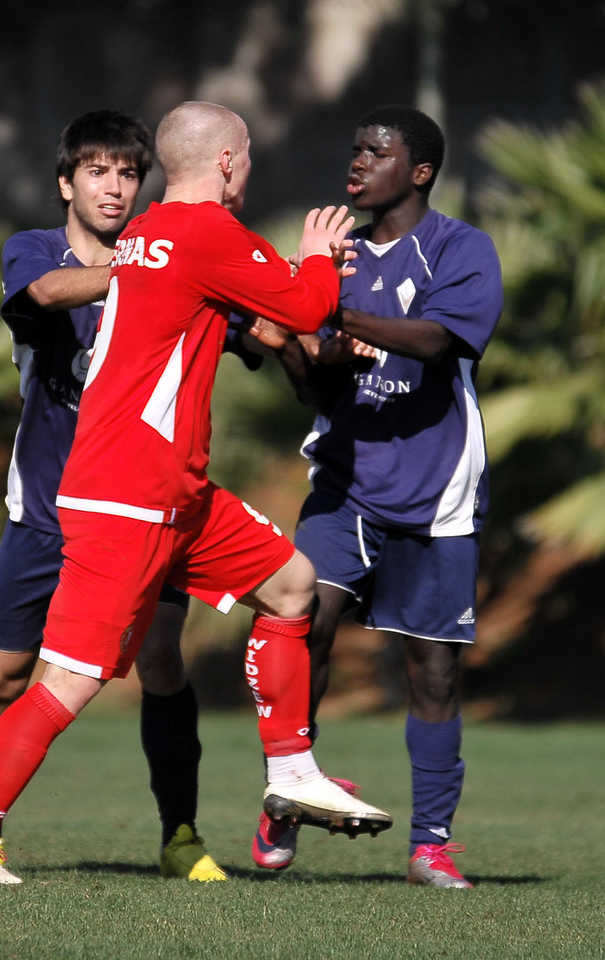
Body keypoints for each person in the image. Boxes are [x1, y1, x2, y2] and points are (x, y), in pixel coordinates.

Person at [0, 99, 393, 884]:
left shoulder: (145, 235)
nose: (247, 165)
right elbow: (307, 307)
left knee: (290, 587)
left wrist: (292, 292)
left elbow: (256, 315)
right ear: (224, 162)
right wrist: (315, 255)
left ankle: (289, 768)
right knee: (65, 682)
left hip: (174, 490)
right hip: (128, 496)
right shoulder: (202, 232)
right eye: (243, 153)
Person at [0, 108, 228, 882]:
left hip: (145, 506)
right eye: (96, 171)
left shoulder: (174, 252)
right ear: (64, 182)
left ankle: (180, 835)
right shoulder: (36, 251)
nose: (113, 187)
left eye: (126, 172)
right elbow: (41, 294)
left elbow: (250, 325)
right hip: (46, 506)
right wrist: (153, 266)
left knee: (161, 660)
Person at [250, 105, 503, 887]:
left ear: (418, 171)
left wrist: (332, 310)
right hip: (345, 486)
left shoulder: (460, 249)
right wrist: (290, 343)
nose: (355, 164)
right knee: (300, 621)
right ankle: (287, 790)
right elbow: (319, 391)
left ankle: (429, 843)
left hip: (435, 496)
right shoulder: (343, 257)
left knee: (431, 673)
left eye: (374, 152)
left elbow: (437, 340)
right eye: (353, 150)